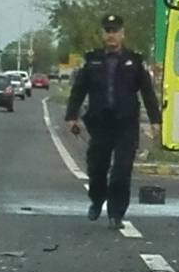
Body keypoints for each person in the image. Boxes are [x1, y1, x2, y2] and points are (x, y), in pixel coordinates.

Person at [66, 14, 162, 223]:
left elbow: (147, 93)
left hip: (125, 124)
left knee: (121, 170)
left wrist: (155, 121)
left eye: (115, 31)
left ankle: (116, 213)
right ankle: (97, 199)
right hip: (100, 123)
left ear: (122, 34)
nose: (111, 35)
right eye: (107, 31)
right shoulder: (93, 60)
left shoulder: (134, 61)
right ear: (102, 34)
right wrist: (71, 115)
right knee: (97, 168)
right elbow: (79, 89)